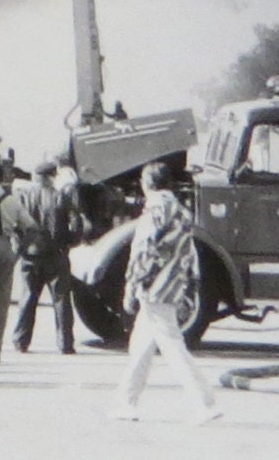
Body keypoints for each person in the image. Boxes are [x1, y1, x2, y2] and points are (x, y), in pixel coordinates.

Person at [109, 161, 219, 424]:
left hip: (154, 288)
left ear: (148, 184)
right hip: (174, 284)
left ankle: (205, 404)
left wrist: (133, 285)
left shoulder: (154, 211)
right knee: (140, 347)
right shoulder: (181, 211)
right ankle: (126, 402)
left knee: (172, 347)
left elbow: (143, 251)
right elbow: (190, 253)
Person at [13, 160, 77, 355]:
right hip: (56, 254)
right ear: (51, 177)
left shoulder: (24, 197)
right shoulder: (61, 197)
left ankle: (21, 341)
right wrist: (68, 243)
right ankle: (65, 343)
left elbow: (16, 226)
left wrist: (22, 246)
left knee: (28, 297)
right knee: (61, 300)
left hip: (31, 255)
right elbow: (76, 225)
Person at [0, 160, 32, 363]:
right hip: (6, 247)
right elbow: (31, 226)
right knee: (0, 302)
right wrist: (20, 249)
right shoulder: (12, 201)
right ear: (3, 178)